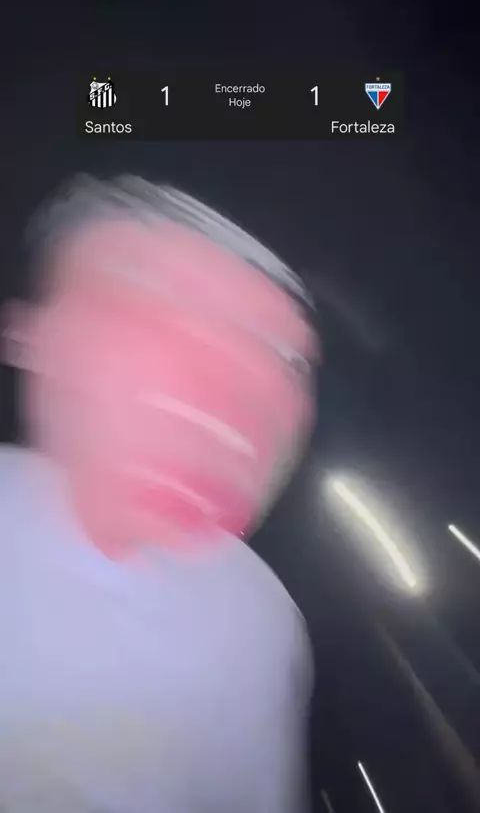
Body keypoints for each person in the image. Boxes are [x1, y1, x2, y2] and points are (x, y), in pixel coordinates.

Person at [0, 175, 319, 812]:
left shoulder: (257, 620)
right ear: (29, 339)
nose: (238, 383)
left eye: (284, 354)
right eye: (157, 295)